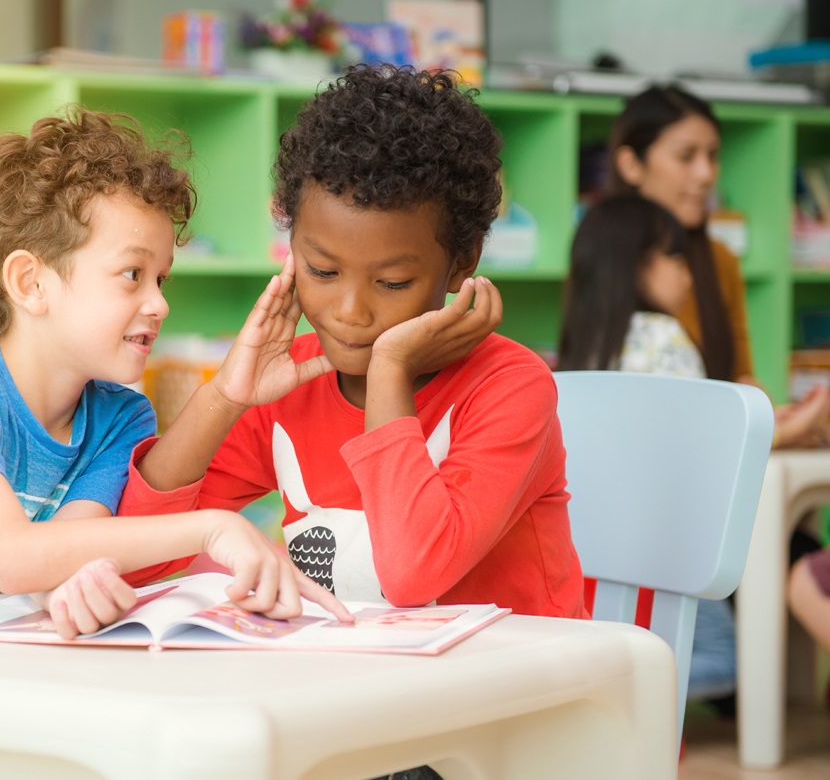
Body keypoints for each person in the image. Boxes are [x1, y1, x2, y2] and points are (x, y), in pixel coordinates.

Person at [0, 107, 349, 640]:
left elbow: (63, 553)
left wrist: (67, 587)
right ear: (30, 283)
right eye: (132, 274)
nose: (159, 305)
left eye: (161, 280)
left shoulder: (121, 418)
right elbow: (12, 557)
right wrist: (216, 530)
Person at [116, 65, 589, 622]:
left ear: (461, 264)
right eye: (321, 270)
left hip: (517, 686)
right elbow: (135, 559)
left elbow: (413, 574)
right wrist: (227, 395)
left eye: (391, 283)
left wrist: (390, 369)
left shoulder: (510, 387)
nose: (349, 312)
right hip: (364, 681)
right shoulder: (292, 380)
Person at [556, 193, 740, 703]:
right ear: (637, 265)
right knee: (729, 663)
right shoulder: (664, 336)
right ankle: (615, 689)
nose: (687, 273)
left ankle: (606, 681)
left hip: (592, 549)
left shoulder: (580, 353)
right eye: (675, 256)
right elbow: (699, 452)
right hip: (671, 544)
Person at [606, 84, 830, 446]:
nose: (706, 174)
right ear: (632, 165)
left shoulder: (720, 260)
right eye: (686, 156)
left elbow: (739, 378)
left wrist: (764, 411)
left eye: (712, 156)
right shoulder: (603, 259)